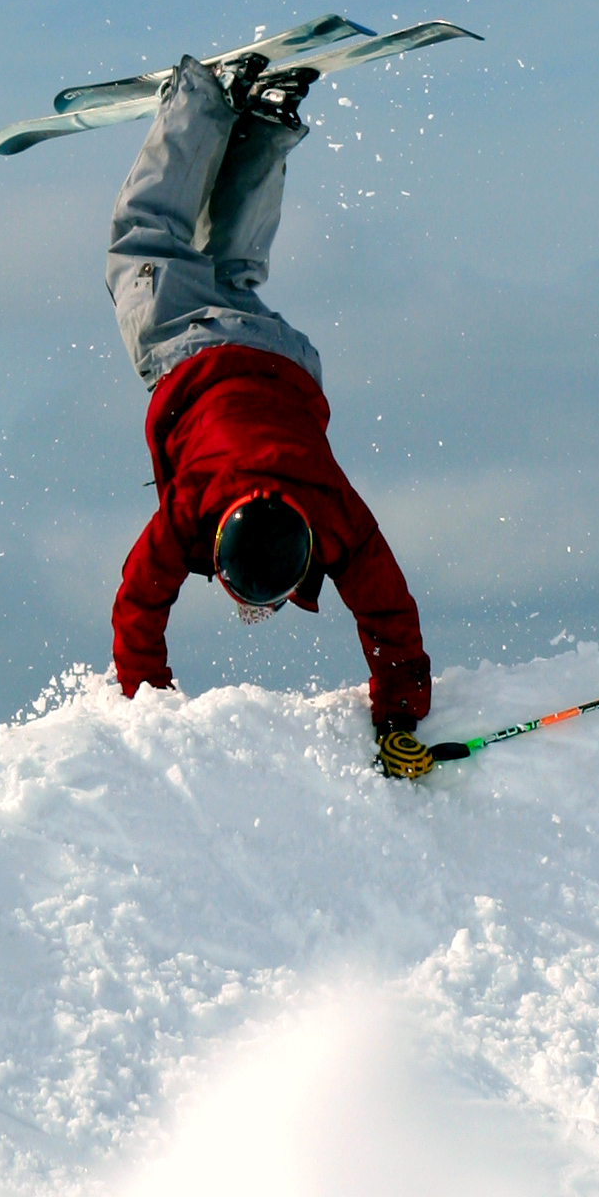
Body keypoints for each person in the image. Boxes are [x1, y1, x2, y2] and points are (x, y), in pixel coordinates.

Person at [104, 52, 436, 777]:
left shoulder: (336, 514)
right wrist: (143, 709)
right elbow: (137, 606)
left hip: (282, 359)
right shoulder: (194, 506)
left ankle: (267, 115)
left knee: (230, 270)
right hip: (195, 357)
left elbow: (389, 611)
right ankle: (195, 99)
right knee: (146, 243)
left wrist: (402, 709)